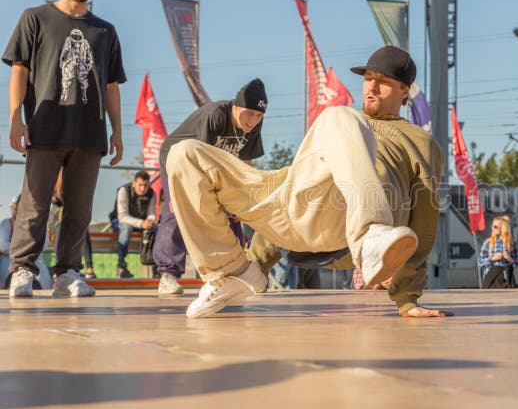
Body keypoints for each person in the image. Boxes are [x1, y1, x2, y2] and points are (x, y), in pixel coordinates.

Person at [167, 46, 452, 318]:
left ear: (404, 91)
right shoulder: (344, 127)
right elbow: (299, 185)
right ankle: (229, 272)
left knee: (337, 114)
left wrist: (407, 298)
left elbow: (425, 225)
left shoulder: (420, 142)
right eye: (368, 79)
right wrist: (258, 263)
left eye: (384, 81)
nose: (372, 87)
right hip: (300, 214)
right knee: (185, 155)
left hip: (344, 223)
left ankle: (370, 233)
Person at [3, 0, 125, 298]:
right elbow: (19, 71)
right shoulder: (35, 18)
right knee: (35, 203)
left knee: (80, 208)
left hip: (90, 133)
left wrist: (116, 130)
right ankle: (23, 269)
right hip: (45, 126)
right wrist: (15, 120)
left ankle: (67, 272)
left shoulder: (105, 31)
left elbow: (111, 84)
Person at [153, 78, 267, 295]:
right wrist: (179, 197)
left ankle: (232, 273)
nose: (253, 120)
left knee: (231, 215)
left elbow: (246, 164)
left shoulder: (254, 126)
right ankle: (168, 274)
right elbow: (197, 159)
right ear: (236, 106)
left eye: (259, 115)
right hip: (180, 162)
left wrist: (239, 202)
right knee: (178, 211)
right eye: (249, 113)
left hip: (216, 168)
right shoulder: (215, 114)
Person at [109, 170, 156, 278]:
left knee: (157, 228)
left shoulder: (152, 193)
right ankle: (121, 265)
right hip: (119, 222)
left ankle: (156, 265)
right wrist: (141, 223)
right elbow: (122, 216)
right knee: (126, 227)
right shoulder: (123, 190)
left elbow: (151, 213)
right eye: (140, 185)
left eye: (146, 185)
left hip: (140, 223)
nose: (143, 188)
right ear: (134, 183)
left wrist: (150, 221)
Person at [1, 195, 52, 290]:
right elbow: (3, 246)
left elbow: (44, 245)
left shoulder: (41, 225)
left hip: (37, 264)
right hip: (10, 264)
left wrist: (19, 247)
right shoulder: (7, 223)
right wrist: (28, 247)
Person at [478, 216, 518, 289]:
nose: (492, 228)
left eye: (495, 226)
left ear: (502, 228)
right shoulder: (488, 243)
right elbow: (480, 262)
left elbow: (517, 262)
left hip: (507, 276)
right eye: (492, 226)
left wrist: (509, 258)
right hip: (492, 276)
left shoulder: (511, 243)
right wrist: (493, 258)